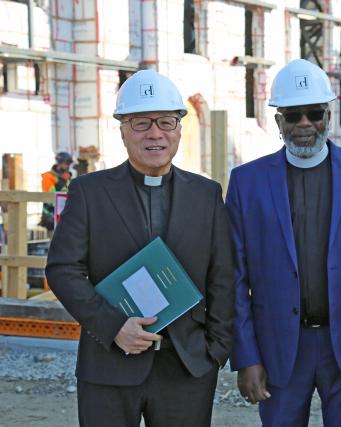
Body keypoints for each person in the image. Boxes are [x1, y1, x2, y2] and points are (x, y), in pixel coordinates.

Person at [45, 69, 235, 427]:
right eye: (141, 123)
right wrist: (113, 326)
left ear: (179, 128)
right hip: (109, 364)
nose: (155, 133)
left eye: (165, 122)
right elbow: (62, 269)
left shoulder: (206, 194)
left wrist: (216, 350)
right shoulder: (89, 192)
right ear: (122, 130)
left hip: (186, 366)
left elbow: (223, 275)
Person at [226, 59, 341, 426]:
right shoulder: (247, 183)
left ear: (328, 115)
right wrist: (246, 357)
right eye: (293, 116)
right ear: (279, 122)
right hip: (279, 350)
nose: (305, 124)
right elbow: (233, 279)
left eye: (314, 114)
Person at [40, 151, 73, 231]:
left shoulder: (68, 177)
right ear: (59, 163)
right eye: (65, 164)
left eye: (68, 164)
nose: (67, 166)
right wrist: (62, 181)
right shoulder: (48, 176)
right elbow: (51, 197)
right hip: (50, 216)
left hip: (65, 216)